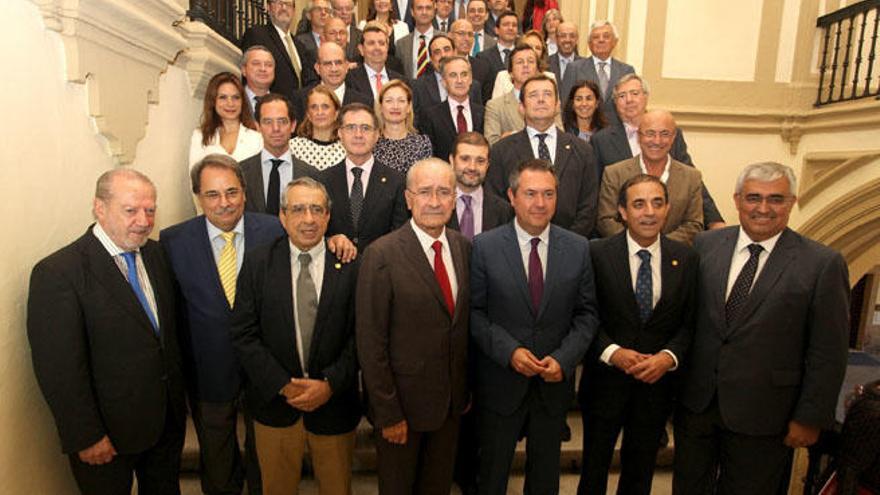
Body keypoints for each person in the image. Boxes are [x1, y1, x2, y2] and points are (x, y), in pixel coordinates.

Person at [673, 162, 851, 494]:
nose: (764, 208)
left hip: (767, 416)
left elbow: (829, 350)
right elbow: (689, 321)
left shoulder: (822, 264)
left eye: (776, 199)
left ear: (792, 202)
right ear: (738, 199)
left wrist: (810, 417)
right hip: (698, 407)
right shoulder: (705, 245)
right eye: (754, 198)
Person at [28, 169, 186, 495]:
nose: (144, 220)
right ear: (99, 208)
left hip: (164, 422)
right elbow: (59, 369)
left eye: (150, 210)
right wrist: (84, 436)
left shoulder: (156, 255)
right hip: (106, 438)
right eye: (131, 210)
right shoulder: (59, 273)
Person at [470, 159, 599, 495]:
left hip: (552, 384)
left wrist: (565, 358)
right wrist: (509, 351)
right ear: (512, 196)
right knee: (492, 474)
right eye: (530, 194)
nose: (540, 203)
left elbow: (587, 315)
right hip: (501, 382)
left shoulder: (578, 248)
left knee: (545, 478)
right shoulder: (485, 246)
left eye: (548, 194)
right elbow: (475, 314)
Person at [160, 155, 284, 495]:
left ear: (245, 192)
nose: (224, 203)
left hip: (265, 365)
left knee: (267, 452)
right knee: (216, 455)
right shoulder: (172, 241)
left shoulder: (274, 230)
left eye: (232, 191)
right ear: (198, 197)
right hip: (207, 367)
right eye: (212, 194)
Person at [231, 177, 362, 495]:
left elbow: (362, 336)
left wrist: (330, 384)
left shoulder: (350, 263)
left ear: (328, 216)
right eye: (299, 209)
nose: (308, 219)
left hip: (334, 406)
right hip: (274, 407)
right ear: (283, 216)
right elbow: (244, 334)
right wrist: (283, 385)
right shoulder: (258, 262)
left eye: (317, 209)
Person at [578, 174, 698, 495]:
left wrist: (667, 358)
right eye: (639, 204)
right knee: (593, 471)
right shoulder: (596, 254)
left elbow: (689, 322)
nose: (649, 212)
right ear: (622, 211)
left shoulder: (686, 258)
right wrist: (612, 352)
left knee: (640, 473)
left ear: (668, 209)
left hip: (656, 388)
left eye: (657, 203)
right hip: (604, 383)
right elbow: (584, 314)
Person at [357, 158, 471, 494]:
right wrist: (388, 413)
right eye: (425, 192)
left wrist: (464, 391)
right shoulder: (382, 255)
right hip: (401, 411)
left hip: (450, 407)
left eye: (443, 192)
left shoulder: (463, 248)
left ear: (454, 198)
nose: (434, 201)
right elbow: (370, 342)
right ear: (408, 199)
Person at [590, 74, 725, 229]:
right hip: (623, 233)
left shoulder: (670, 134)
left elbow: (692, 181)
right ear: (615, 103)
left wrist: (715, 220)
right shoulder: (601, 140)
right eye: (622, 96)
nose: (629, 100)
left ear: (646, 97)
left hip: (672, 232)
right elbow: (597, 195)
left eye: (635, 93)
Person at [487, 74, 597, 237]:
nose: (541, 100)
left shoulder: (582, 150)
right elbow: (495, 203)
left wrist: (569, 242)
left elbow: (589, 206)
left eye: (547, 94)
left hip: (569, 245)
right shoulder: (501, 151)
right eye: (533, 95)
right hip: (515, 244)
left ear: (557, 105)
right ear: (521, 107)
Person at [597, 110, 704, 245]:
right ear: (638, 137)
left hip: (672, 258)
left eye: (665, 134)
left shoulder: (691, 177)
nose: (657, 141)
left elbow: (694, 224)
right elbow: (606, 220)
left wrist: (659, 246)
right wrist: (636, 244)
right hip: (625, 256)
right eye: (650, 133)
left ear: (673, 137)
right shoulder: (614, 173)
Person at [322, 102, 409, 249]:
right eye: (350, 128)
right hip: (336, 267)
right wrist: (330, 240)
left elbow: (400, 234)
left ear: (377, 135)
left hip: (381, 267)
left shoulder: (397, 181)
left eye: (365, 128)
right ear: (339, 134)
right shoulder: (323, 180)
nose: (358, 135)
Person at [241, 93, 320, 215]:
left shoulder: (312, 175)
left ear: (293, 125)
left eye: (282, 121)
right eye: (268, 122)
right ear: (258, 126)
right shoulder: (241, 173)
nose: (276, 128)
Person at [560, 21, 634, 126]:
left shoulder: (626, 71)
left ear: (615, 42)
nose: (601, 40)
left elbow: (631, 107)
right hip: (583, 134)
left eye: (606, 36)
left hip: (617, 134)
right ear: (589, 43)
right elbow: (565, 106)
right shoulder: (574, 68)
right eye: (596, 37)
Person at [189, 72, 263, 169]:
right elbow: (194, 178)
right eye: (223, 97)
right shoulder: (200, 136)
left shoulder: (257, 138)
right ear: (213, 101)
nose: (230, 103)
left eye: (235, 97)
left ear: (242, 102)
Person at [418, 55, 485, 161]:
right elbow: (429, 155)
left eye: (464, 74)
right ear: (444, 82)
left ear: (471, 79)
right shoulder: (430, 116)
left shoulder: (484, 113)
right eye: (453, 75)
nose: (460, 80)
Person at [447, 131, 512, 238]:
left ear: (487, 165)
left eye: (480, 161)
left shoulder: (504, 211)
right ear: (452, 160)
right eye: (465, 159)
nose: (472, 167)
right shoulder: (437, 205)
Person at [240, 0, 304, 98]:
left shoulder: (300, 45)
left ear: (294, 11)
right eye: (279, 3)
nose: (284, 8)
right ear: (269, 8)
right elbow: (249, 77)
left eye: (288, 4)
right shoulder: (256, 35)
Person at [410, 34, 482, 121]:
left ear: (455, 52)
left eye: (447, 49)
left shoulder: (473, 85)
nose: (443, 55)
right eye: (437, 52)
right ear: (431, 59)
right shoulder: (418, 86)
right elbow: (414, 120)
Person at [297, 41, 372, 122]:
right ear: (317, 68)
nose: (334, 69)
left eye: (338, 63)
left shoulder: (363, 101)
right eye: (328, 64)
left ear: (346, 66)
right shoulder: (301, 99)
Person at [484, 43, 540, 145]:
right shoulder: (495, 106)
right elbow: (491, 144)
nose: (526, 65)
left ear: (537, 71)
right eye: (520, 62)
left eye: (531, 61)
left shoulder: (550, 103)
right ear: (510, 73)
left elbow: (559, 138)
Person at [375, 79, 433, 173]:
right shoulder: (371, 143)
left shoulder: (422, 143)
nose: (395, 106)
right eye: (389, 101)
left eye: (401, 101)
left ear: (409, 107)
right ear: (381, 107)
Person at [347, 23, 406, 106]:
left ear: (387, 48)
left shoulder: (400, 81)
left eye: (381, 43)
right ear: (361, 49)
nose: (377, 48)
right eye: (371, 43)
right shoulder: (349, 80)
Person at [290, 86, 347, 170]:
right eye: (314, 107)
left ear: (336, 113)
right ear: (308, 114)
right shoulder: (292, 148)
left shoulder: (347, 148)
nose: (320, 112)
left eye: (325, 107)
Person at [489, 28, 557, 99]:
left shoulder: (550, 77)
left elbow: (556, 107)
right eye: (529, 46)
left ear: (542, 53)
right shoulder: (503, 77)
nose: (533, 51)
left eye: (537, 48)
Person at [449, 18, 494, 102]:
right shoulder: (441, 65)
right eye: (461, 33)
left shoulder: (483, 68)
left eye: (470, 34)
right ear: (450, 36)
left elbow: (486, 102)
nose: (466, 38)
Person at [394, 0, 436, 79]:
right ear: (412, 12)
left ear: (434, 11)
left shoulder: (445, 39)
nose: (424, 12)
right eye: (420, 8)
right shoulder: (401, 44)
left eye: (428, 8)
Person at [294, 0, 332, 87]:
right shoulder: (299, 42)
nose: (323, 13)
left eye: (327, 10)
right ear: (308, 15)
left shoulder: (337, 39)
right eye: (318, 9)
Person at [475, 9, 516, 88]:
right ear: (496, 30)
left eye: (514, 25)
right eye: (506, 24)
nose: (510, 28)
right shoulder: (483, 57)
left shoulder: (523, 56)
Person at [241, 45, 277, 115]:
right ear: (243, 70)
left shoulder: (282, 104)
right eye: (256, 64)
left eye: (268, 65)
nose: (263, 69)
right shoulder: (233, 102)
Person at [549, 22, 581, 90]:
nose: (567, 40)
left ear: (577, 39)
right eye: (563, 36)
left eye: (572, 36)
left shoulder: (585, 65)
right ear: (556, 39)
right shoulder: (546, 64)